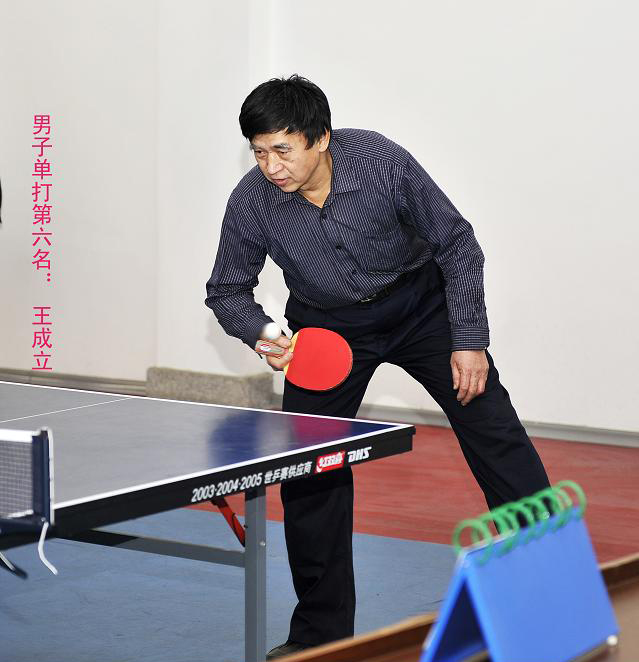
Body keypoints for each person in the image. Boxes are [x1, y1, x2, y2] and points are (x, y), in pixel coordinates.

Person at [205, 75, 550, 659]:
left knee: (496, 432)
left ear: (321, 138)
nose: (271, 166)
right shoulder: (251, 201)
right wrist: (264, 334)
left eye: (282, 150)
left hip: (420, 308)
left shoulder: (380, 161)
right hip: (326, 328)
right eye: (259, 152)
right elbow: (226, 289)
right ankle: (320, 637)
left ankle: (551, 588)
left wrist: (469, 339)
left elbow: (456, 243)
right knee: (308, 471)